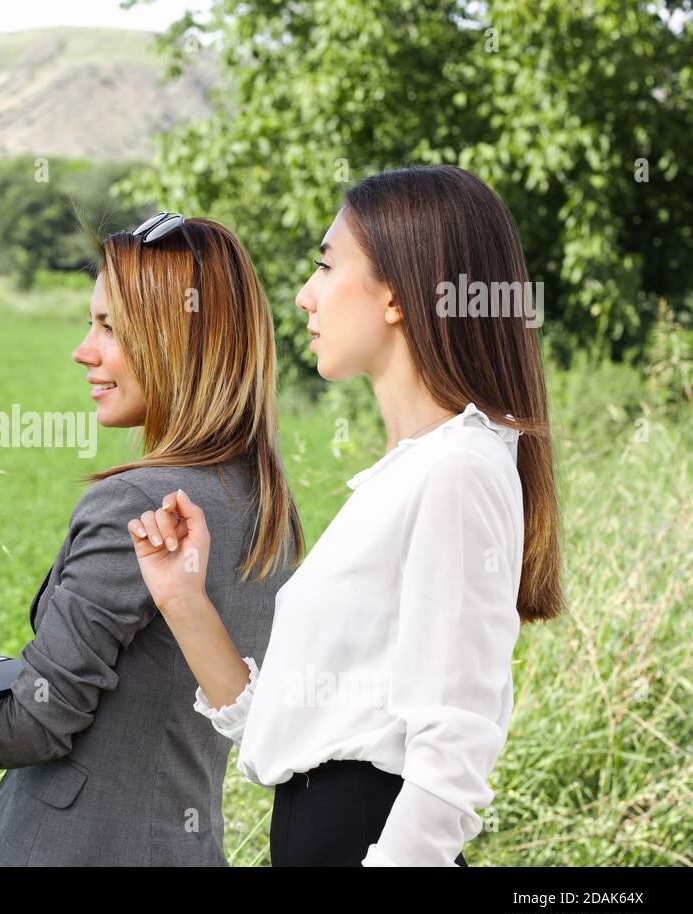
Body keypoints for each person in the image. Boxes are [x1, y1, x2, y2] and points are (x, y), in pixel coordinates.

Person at [128, 166, 564, 866]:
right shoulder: (412, 470)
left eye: (326, 266)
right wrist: (182, 596)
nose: (305, 295)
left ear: (395, 294)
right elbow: (294, 726)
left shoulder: (456, 470)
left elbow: (455, 744)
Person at [0, 213, 303, 865]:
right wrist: (3, 677)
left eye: (109, 327)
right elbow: (149, 684)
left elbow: (37, 724)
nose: (83, 350)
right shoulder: (265, 503)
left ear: (176, 340)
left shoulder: (139, 503)